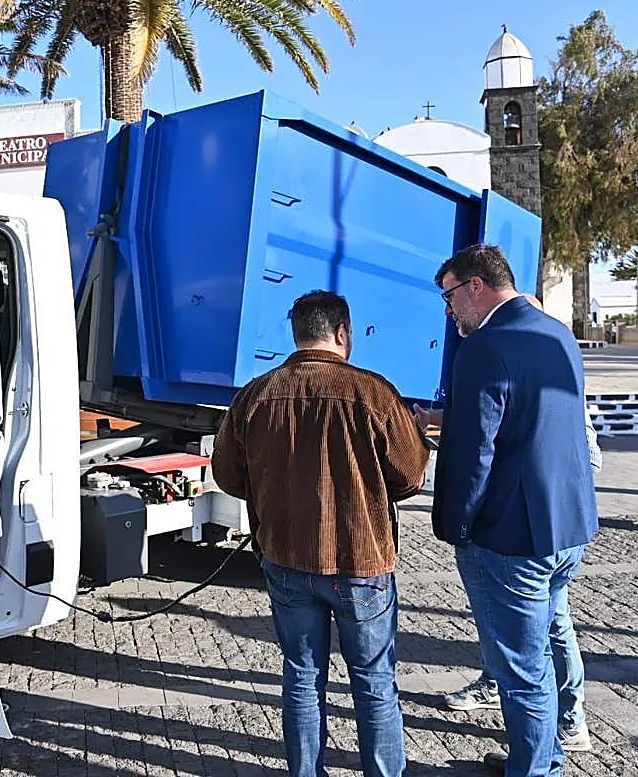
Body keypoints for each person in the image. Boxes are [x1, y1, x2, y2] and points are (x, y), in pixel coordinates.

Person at [212, 290, 430, 777]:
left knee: (302, 679)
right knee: (374, 683)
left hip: (286, 558)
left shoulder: (254, 394)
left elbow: (227, 475)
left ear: (298, 334)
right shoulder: (374, 393)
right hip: (361, 562)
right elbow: (412, 474)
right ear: (343, 334)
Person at [431, 245, 598, 777]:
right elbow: (537, 415)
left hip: (511, 536)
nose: (449, 310)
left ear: (476, 286)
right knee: (550, 638)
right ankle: (548, 749)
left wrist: (455, 525)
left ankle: (537, 768)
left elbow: (472, 451)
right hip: (567, 524)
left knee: (522, 670)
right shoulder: (557, 333)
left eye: (450, 296)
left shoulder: (483, 347)